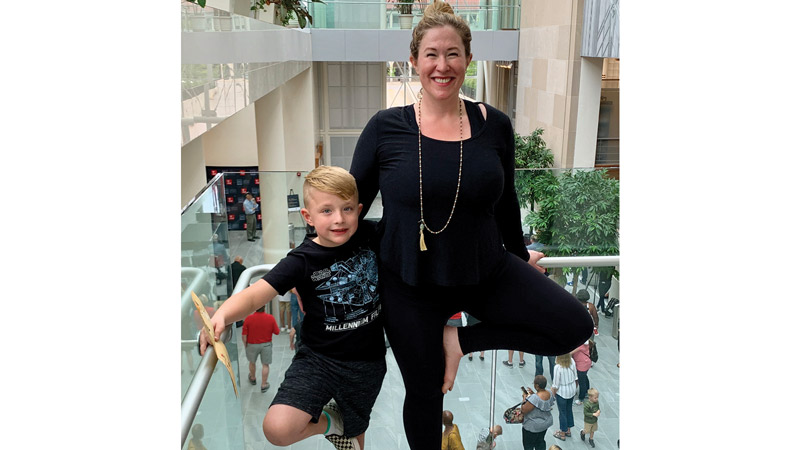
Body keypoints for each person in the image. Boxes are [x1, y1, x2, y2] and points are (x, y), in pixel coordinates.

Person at [348, 2, 594, 447]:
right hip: (409, 283)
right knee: (425, 393)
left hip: (485, 271)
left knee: (573, 325)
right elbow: (351, 210)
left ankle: (459, 342)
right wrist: (310, 262)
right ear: (414, 60)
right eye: (431, 54)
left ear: (468, 59)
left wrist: (519, 258)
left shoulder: (493, 125)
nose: (442, 66)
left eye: (453, 54)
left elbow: (507, 201)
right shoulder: (385, 128)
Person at [200, 166, 386, 450]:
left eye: (347, 209)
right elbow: (255, 294)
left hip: (367, 364)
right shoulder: (301, 260)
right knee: (278, 428)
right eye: (327, 211)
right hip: (319, 360)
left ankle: (345, 425)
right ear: (308, 217)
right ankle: (332, 423)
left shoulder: (371, 234)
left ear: (359, 210)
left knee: (356, 439)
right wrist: (223, 314)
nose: (339, 219)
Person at [242, 305, 280, 392]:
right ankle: (263, 384)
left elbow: (244, 335)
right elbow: (277, 332)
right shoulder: (270, 318)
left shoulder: (248, 319)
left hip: (252, 344)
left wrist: (246, 345)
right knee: (265, 365)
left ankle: (252, 378)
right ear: (265, 307)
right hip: (266, 345)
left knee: (252, 362)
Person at [521, 375, 556, 450]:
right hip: (545, 424)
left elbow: (524, 410)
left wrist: (524, 398)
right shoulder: (549, 392)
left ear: (537, 386)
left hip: (533, 426)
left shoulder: (535, 398)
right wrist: (534, 394)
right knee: (540, 442)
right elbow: (542, 402)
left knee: (528, 445)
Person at [550, 354, 578, 441]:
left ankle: (562, 433)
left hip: (562, 391)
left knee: (562, 412)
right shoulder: (572, 361)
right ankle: (568, 430)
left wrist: (553, 395)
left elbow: (555, 384)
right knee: (569, 409)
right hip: (572, 389)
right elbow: (576, 377)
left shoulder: (558, 367)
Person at [570, 340, 591, 405]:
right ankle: (587, 392)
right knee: (584, 378)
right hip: (586, 363)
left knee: (581, 382)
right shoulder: (584, 342)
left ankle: (581, 398)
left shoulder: (581, 345)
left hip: (582, 365)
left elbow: (570, 353)